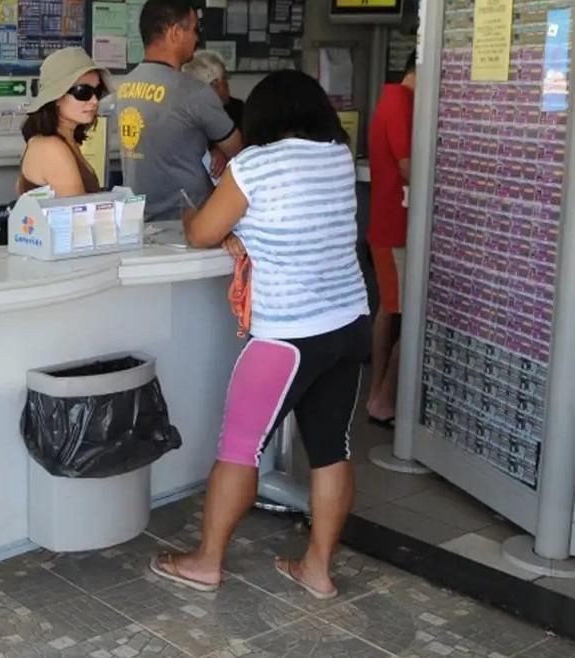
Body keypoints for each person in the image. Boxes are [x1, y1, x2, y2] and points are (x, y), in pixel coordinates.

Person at [153, 70, 368, 600]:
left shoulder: (255, 165)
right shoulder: (338, 158)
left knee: (239, 448)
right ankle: (317, 569)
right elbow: (296, 221)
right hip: (348, 324)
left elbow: (203, 232)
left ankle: (207, 561)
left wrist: (194, 214)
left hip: (286, 338)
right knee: (331, 449)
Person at [115, 0, 243, 223]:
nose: (197, 38)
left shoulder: (124, 87)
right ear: (175, 32)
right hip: (188, 221)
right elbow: (239, 152)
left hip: (139, 219)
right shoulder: (193, 92)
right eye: (193, 29)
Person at [365, 52, 416, 428]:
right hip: (396, 226)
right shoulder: (400, 103)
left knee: (391, 309)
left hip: (390, 223)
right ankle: (383, 400)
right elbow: (408, 166)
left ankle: (378, 394)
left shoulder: (392, 100)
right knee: (405, 313)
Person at [17, 47, 110, 196]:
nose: (94, 101)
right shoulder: (50, 148)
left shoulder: (66, 141)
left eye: (97, 91)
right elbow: (78, 208)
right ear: (57, 97)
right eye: (83, 92)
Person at [184, 50, 244, 131]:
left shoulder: (238, 108)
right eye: (213, 84)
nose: (226, 84)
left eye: (225, 78)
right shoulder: (185, 114)